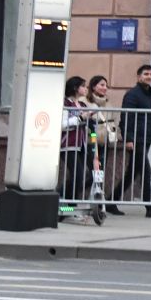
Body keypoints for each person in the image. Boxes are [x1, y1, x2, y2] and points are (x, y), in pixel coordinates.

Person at [120, 63, 151, 218]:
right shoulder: (132, 94)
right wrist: (128, 138)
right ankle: (150, 207)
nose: (149, 77)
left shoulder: (149, 95)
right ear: (139, 77)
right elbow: (126, 117)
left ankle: (111, 201)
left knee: (132, 173)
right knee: (145, 171)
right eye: (146, 74)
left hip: (145, 138)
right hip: (136, 139)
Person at [85, 75, 124, 216]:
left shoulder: (108, 104)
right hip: (91, 140)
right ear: (93, 86)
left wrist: (115, 137)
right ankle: (68, 198)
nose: (105, 88)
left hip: (104, 142)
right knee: (93, 172)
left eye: (106, 85)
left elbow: (114, 122)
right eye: (101, 84)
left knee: (99, 173)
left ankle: (98, 205)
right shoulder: (86, 102)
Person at [60, 76, 95, 219]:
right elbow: (62, 124)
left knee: (88, 174)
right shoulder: (65, 103)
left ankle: (67, 204)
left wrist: (93, 139)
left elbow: (91, 128)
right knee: (78, 175)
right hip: (68, 144)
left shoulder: (83, 105)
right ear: (75, 88)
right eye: (83, 86)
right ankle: (68, 208)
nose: (86, 89)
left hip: (81, 145)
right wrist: (80, 119)